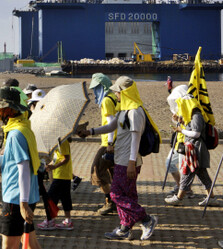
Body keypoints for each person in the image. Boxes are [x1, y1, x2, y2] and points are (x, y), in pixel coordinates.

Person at [78, 76, 158, 241]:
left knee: (115, 194)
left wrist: (131, 162)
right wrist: (90, 131)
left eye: (117, 91)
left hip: (128, 161)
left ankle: (146, 219)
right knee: (128, 196)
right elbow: (111, 126)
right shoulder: (124, 110)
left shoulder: (135, 111)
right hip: (121, 159)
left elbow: (136, 138)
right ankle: (124, 228)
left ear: (125, 92)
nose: (115, 94)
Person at [0, 86, 42, 249]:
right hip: (26, 196)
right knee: (31, 243)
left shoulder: (16, 134)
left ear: (9, 109)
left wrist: (23, 204)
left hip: (16, 199)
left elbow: (23, 167)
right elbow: (11, 160)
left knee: (8, 245)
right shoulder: (22, 128)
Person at [164, 85, 217, 207]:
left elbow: (196, 133)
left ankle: (179, 197)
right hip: (192, 148)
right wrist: (179, 122)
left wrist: (180, 130)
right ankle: (211, 197)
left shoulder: (196, 114)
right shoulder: (190, 114)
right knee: (202, 175)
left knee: (187, 172)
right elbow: (188, 127)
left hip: (195, 149)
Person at [88, 73, 119, 215]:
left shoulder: (106, 101)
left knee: (96, 172)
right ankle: (117, 201)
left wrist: (110, 143)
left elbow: (111, 122)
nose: (95, 92)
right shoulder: (115, 97)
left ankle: (110, 201)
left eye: (96, 88)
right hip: (119, 141)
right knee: (112, 173)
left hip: (109, 142)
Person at [37, 137, 74, 231]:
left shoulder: (62, 142)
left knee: (50, 198)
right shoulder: (58, 142)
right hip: (62, 175)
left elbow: (66, 158)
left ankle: (50, 221)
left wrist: (54, 166)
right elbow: (57, 158)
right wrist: (49, 165)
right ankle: (68, 221)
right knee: (65, 198)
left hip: (61, 175)